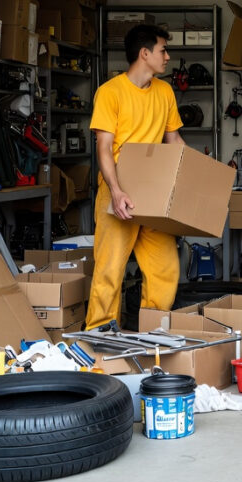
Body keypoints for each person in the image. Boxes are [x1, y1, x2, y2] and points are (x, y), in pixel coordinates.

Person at [85, 24, 185, 330]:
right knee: (109, 271)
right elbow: (103, 147)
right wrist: (115, 191)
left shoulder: (164, 91)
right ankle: (98, 338)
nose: (167, 57)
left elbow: (175, 141)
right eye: (162, 50)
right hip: (119, 193)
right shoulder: (110, 92)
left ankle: (153, 335)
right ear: (145, 53)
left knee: (164, 270)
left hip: (153, 194)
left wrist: (203, 179)